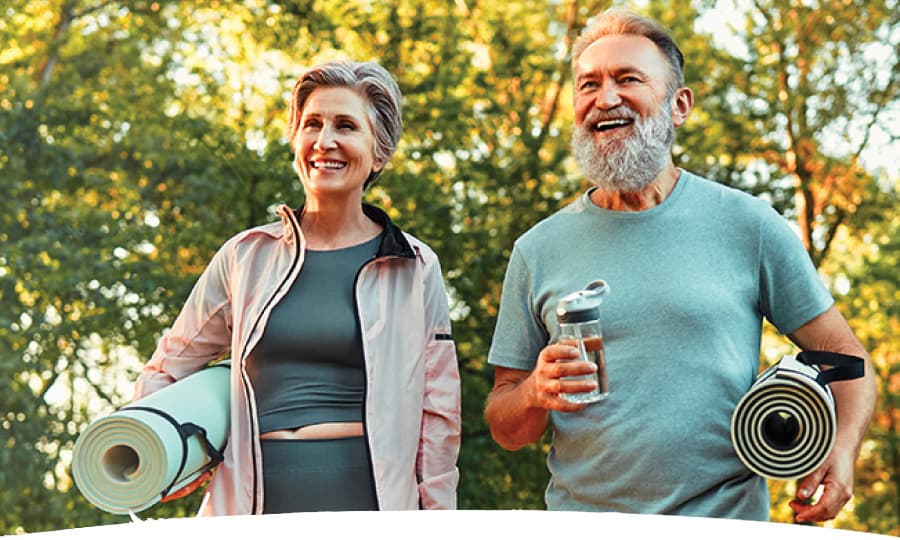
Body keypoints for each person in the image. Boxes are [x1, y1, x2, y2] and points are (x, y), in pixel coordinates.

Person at [484, 8, 875, 523]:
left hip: (723, 525)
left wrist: (841, 451)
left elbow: (845, 357)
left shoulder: (748, 224)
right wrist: (534, 391)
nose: (605, 99)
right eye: (588, 84)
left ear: (679, 105)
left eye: (628, 79)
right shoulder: (538, 248)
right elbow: (507, 427)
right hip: (579, 526)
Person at [133, 60, 461, 515]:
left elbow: (438, 415)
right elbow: (169, 366)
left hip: (370, 506)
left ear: (379, 152)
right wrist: (157, 449)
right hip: (252, 508)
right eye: (312, 124)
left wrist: (438, 521)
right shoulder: (245, 257)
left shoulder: (415, 266)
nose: (325, 141)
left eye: (346, 126)